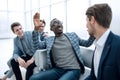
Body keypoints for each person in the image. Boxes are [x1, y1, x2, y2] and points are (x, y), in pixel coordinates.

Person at [29, 12, 95, 80]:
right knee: (33, 78)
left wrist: (93, 33)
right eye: (54, 24)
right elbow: (37, 46)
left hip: (73, 69)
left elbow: (87, 43)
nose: (58, 24)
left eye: (59, 23)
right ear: (51, 29)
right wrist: (36, 29)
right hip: (58, 70)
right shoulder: (49, 40)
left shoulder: (72, 35)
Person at [85, 3, 120, 80]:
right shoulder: (98, 45)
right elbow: (93, 76)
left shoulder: (118, 45)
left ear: (92, 20)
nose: (86, 25)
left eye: (87, 21)